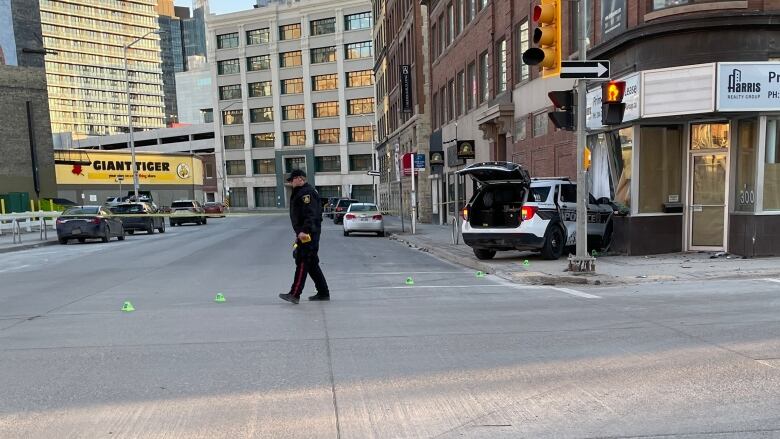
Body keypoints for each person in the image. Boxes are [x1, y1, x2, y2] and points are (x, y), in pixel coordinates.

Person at [279, 169, 330, 304]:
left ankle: (295, 294)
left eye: (292, 179)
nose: (291, 182)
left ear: (300, 179)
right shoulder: (302, 192)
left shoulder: (306, 193)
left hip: (308, 233)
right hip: (305, 233)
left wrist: (305, 231)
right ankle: (323, 292)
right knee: (311, 263)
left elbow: (311, 214)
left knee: (303, 260)